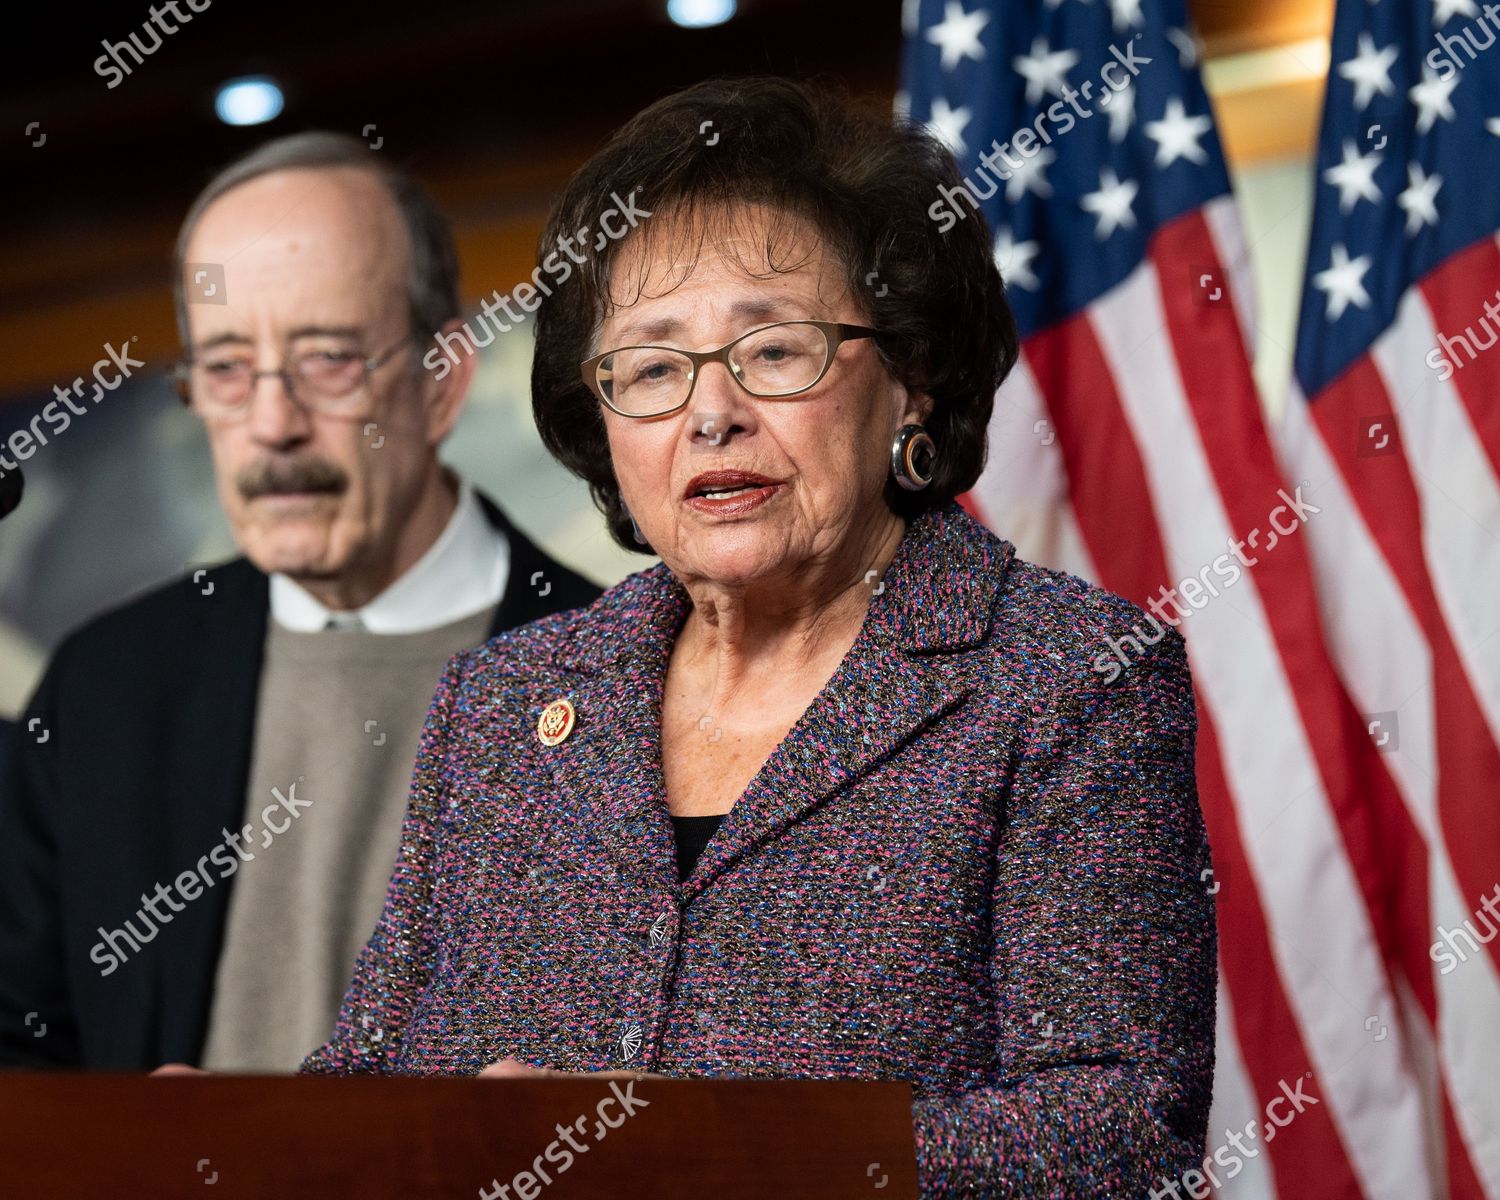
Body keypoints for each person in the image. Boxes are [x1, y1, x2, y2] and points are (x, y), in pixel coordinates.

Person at [300, 78, 1216, 1196]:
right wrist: (240, 1128)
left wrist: (730, 1152)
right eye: (649, 367)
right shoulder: (503, 703)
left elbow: (1120, 1130)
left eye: (774, 351)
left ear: (913, 383)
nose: (710, 411)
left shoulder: (1067, 680)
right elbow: (369, 1080)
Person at [0, 133, 599, 1072]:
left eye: (326, 361)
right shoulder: (103, 688)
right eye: (228, 369)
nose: (272, 426)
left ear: (442, 383)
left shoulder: (622, 678)